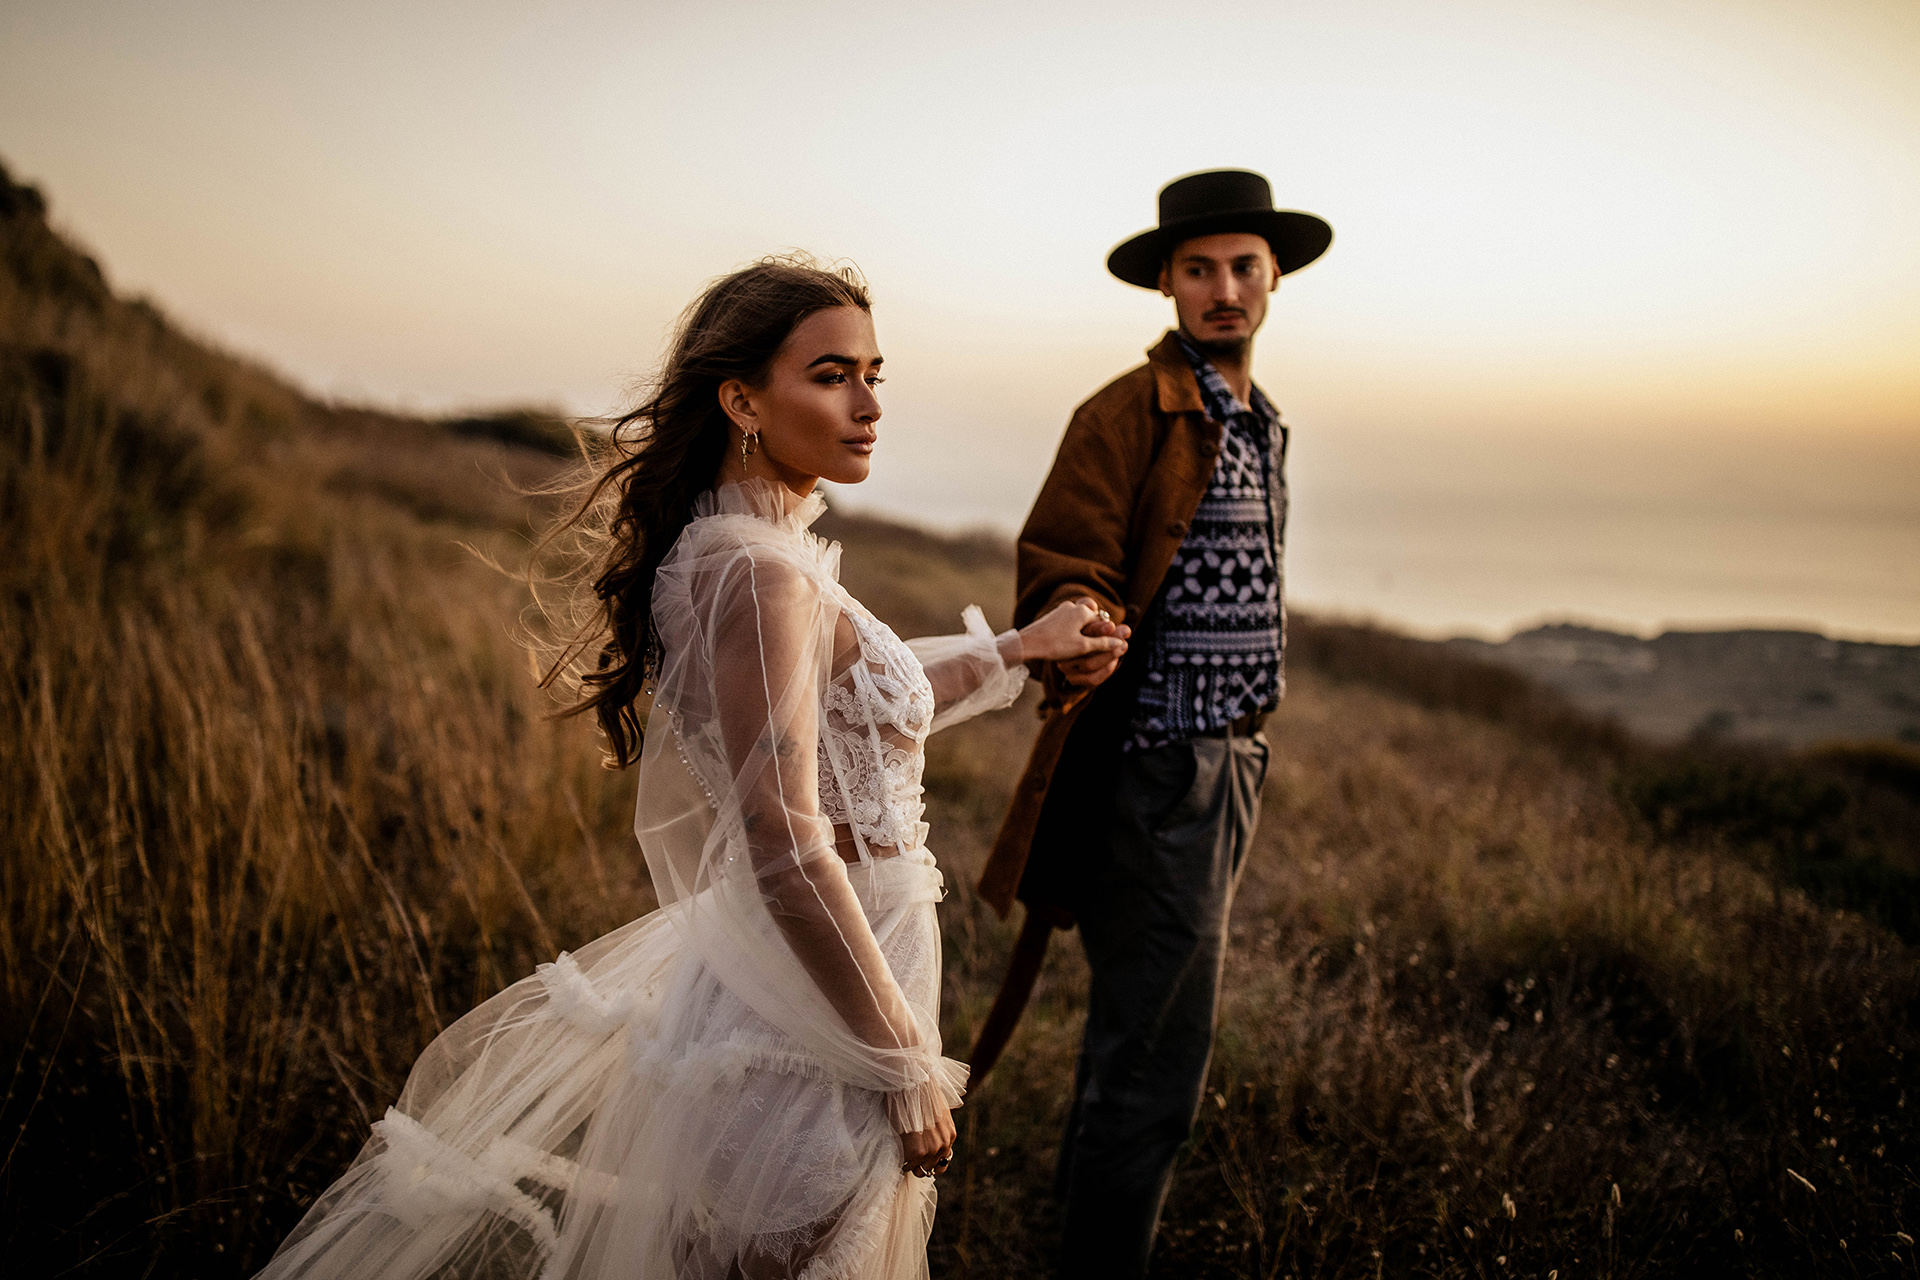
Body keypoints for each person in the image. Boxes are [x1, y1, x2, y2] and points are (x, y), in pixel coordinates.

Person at [255, 257, 1125, 1280]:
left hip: (811, 979)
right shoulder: (760, 576)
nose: (868, 404)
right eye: (833, 374)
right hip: (815, 1010)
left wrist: (1021, 647)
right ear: (743, 399)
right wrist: (900, 1054)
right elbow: (784, 835)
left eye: (875, 374)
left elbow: (860, 689)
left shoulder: (745, 552)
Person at [968, 170, 1333, 1279]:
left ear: (1271, 279)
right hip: (1164, 762)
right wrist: (1075, 614)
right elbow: (1063, 555)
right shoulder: (1129, 410)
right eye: (1198, 269)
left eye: (1241, 267)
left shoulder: (1259, 420)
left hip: (1235, 760)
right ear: (1167, 285)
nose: (1223, 288)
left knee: (1147, 1042)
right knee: (1155, 1060)